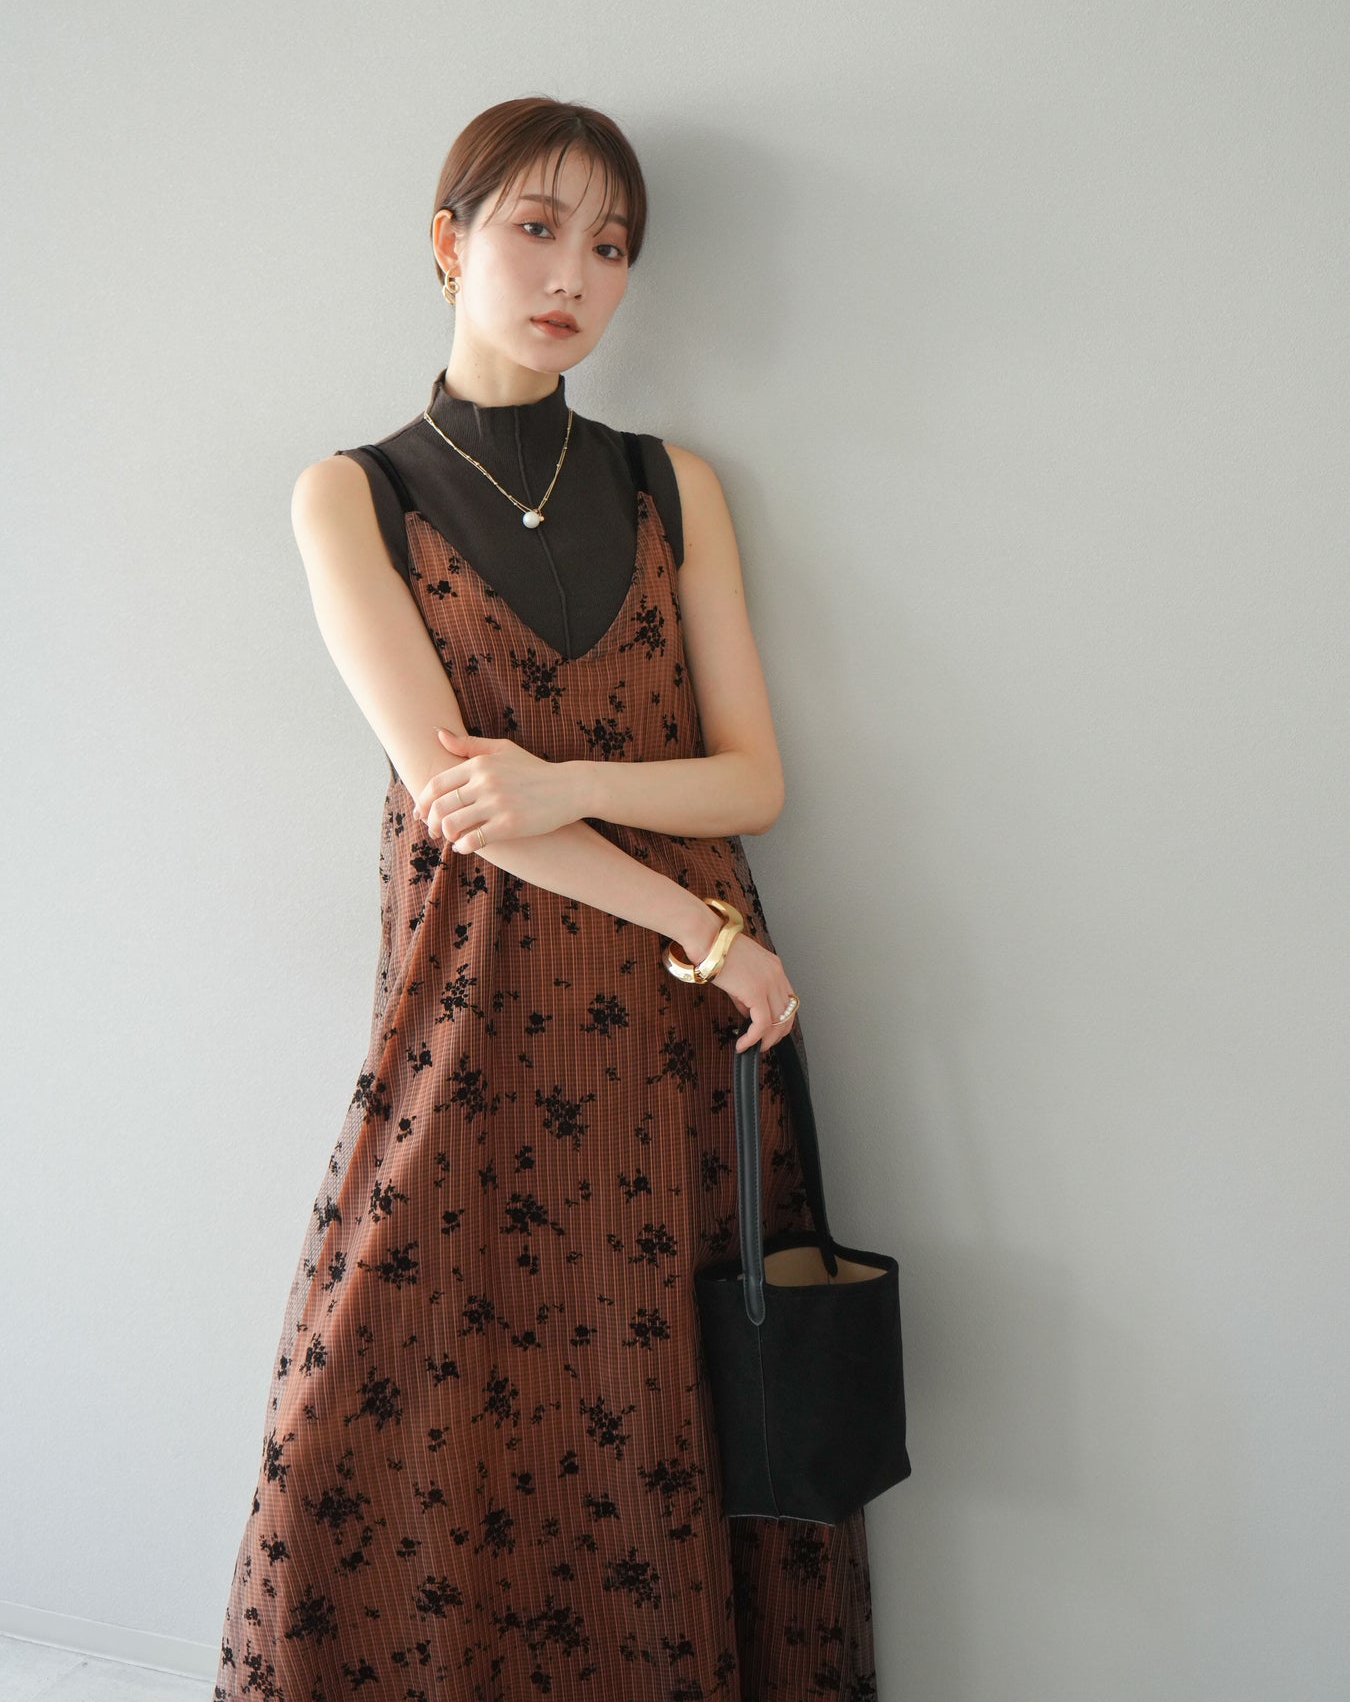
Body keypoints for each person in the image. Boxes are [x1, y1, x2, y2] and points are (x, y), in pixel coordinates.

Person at [213, 95, 877, 1700]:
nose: (574, 272)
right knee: (382, 1389)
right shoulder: (351, 493)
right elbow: (462, 808)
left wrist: (570, 784)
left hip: (678, 1029)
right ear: (448, 244)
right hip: (491, 1002)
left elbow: (749, 782)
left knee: (658, 1400)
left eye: (611, 244)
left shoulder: (669, 485)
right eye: (535, 228)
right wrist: (700, 926)